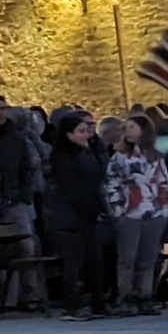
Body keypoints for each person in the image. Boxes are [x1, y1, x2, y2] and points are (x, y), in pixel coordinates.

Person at [0, 95, 45, 311]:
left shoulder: (17, 139)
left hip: (16, 200)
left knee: (27, 248)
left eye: (2, 108)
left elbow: (26, 169)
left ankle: (30, 295)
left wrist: (23, 195)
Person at [106, 113, 168, 315]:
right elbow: (112, 183)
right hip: (129, 213)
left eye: (132, 127)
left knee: (148, 258)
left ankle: (145, 295)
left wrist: (163, 209)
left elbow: (163, 182)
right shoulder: (119, 157)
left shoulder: (156, 156)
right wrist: (117, 210)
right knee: (127, 258)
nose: (128, 131)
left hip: (154, 212)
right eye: (126, 128)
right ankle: (126, 296)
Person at [45, 112, 108, 320]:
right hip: (70, 216)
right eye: (81, 131)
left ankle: (98, 302)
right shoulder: (62, 157)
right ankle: (71, 304)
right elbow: (70, 187)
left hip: (89, 213)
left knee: (95, 260)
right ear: (69, 134)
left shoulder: (90, 151)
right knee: (73, 262)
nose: (86, 135)